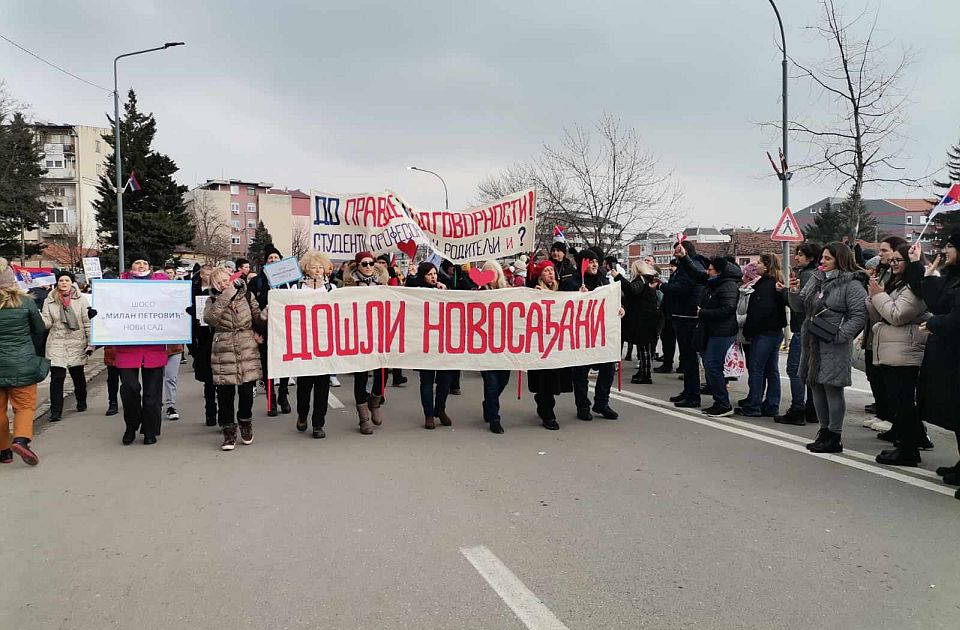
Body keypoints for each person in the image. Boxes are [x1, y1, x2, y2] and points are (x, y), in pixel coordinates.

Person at [786, 242, 868, 453]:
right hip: (813, 339)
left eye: (827, 258)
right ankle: (823, 432)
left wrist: (841, 335)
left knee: (832, 386)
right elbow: (800, 306)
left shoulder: (852, 284)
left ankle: (834, 434)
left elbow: (859, 315)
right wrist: (793, 292)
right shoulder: (816, 279)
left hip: (834, 342)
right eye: (822, 258)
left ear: (840, 260)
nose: (822, 262)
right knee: (816, 385)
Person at [865, 244, 929, 466]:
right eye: (890, 261)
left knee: (903, 402)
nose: (892, 265)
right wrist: (872, 294)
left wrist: (879, 296)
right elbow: (879, 314)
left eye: (896, 261)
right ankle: (904, 444)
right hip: (892, 349)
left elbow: (897, 315)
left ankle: (909, 450)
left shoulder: (914, 288)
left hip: (906, 349)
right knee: (896, 400)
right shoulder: (897, 285)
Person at [915, 235, 960, 488]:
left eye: (950, 247)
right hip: (949, 354)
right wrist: (929, 276)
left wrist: (933, 323)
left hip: (955, 352)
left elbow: (955, 317)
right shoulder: (952, 275)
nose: (946, 251)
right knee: (954, 412)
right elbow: (938, 302)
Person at [203, 267, 264, 450]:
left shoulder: (247, 296)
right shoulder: (212, 300)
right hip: (224, 348)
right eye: (219, 283)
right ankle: (229, 431)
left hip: (246, 346)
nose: (223, 284)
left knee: (247, 391)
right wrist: (226, 295)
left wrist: (267, 313)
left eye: (225, 280)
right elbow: (210, 319)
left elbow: (257, 318)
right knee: (225, 394)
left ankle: (245, 422)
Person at [116, 252, 170, 446]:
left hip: (153, 348)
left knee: (152, 394)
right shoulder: (118, 286)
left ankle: (150, 429)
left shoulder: (162, 285)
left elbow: (171, 305)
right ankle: (131, 425)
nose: (140, 265)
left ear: (150, 266)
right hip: (127, 349)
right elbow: (110, 307)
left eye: (144, 262)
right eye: (137, 262)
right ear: (131, 267)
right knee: (130, 389)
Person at [0, 257, 49, 466]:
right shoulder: (26, 302)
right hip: (22, 362)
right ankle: (21, 440)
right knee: (24, 406)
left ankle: (3, 451)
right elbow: (39, 328)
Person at [344, 251, 390, 435]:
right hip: (359, 335)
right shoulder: (348, 287)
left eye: (371, 263)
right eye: (365, 263)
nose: (369, 266)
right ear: (358, 265)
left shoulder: (383, 284)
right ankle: (363, 417)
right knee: (361, 376)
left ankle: (375, 402)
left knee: (383, 373)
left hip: (380, 334)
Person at [737, 253, 788, 417]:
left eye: (759, 263)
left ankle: (753, 405)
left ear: (766, 266)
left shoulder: (765, 286)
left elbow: (760, 312)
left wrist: (749, 331)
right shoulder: (773, 283)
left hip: (764, 333)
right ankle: (771, 405)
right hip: (775, 332)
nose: (756, 265)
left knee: (756, 369)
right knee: (771, 370)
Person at [690, 256, 743, 417]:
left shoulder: (728, 285)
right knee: (710, 365)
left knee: (713, 366)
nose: (708, 272)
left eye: (711, 269)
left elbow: (728, 309)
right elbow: (696, 274)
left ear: (719, 271)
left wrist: (703, 312)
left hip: (722, 332)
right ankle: (719, 401)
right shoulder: (714, 283)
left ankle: (723, 403)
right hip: (712, 330)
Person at [406, 261, 455, 429]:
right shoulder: (417, 290)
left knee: (445, 381)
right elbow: (409, 289)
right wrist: (411, 276)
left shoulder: (442, 289)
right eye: (429, 274)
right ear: (422, 276)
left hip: (442, 342)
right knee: (427, 381)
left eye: (435, 273)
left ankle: (440, 409)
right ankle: (428, 415)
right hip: (425, 343)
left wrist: (445, 292)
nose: (433, 277)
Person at [775, 242, 820, 426]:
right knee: (809, 372)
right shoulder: (815, 275)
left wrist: (783, 292)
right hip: (812, 329)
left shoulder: (808, 276)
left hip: (803, 329)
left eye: (801, 254)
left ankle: (797, 409)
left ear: (810, 257)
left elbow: (800, 305)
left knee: (795, 370)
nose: (796, 257)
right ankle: (812, 409)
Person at [572, 249, 619, 421]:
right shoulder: (572, 281)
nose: (594, 264)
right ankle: (583, 406)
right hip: (581, 336)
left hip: (600, 335)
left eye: (596, 261)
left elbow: (613, 300)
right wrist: (577, 295)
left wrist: (619, 308)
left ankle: (602, 403)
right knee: (581, 373)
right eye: (590, 261)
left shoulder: (603, 281)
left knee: (608, 367)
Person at [293, 251, 335, 438]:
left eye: (320, 267)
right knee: (304, 386)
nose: (317, 270)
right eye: (314, 267)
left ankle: (319, 423)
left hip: (325, 344)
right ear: (306, 269)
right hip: (305, 344)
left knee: (322, 387)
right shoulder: (296, 288)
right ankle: (302, 413)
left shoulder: (332, 288)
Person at [41, 270, 92, 422]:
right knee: (57, 377)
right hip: (57, 341)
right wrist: (37, 319)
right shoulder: (49, 300)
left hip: (76, 340)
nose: (64, 283)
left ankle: (81, 401)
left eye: (67, 281)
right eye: (61, 281)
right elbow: (47, 322)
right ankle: (56, 411)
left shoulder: (81, 300)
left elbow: (86, 322)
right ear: (57, 283)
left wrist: (91, 343)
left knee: (78, 375)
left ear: (72, 283)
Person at [527, 263, 573, 430]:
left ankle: (542, 401)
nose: (550, 273)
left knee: (554, 380)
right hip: (540, 344)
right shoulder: (534, 291)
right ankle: (548, 414)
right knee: (546, 379)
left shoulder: (561, 290)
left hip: (557, 343)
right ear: (540, 275)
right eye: (546, 271)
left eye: (552, 270)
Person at [662, 241, 708, 407]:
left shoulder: (692, 266)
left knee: (689, 357)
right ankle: (688, 390)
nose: (675, 255)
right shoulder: (686, 266)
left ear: (685, 252)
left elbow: (682, 288)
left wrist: (662, 286)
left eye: (677, 251)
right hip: (682, 314)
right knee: (686, 358)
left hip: (688, 316)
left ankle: (693, 395)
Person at [248, 244, 292, 416]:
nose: (273, 260)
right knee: (267, 364)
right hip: (264, 328)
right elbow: (251, 307)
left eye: (276, 258)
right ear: (265, 263)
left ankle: (283, 394)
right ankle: (270, 397)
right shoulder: (256, 281)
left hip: (285, 328)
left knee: (285, 363)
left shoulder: (290, 280)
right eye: (270, 258)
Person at [476, 259, 512, 434]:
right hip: (484, 346)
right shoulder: (477, 293)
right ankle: (494, 418)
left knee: (503, 380)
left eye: (493, 273)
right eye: (486, 273)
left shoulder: (508, 292)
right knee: (491, 382)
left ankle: (488, 403)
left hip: (504, 345)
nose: (490, 277)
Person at [614, 259, 659, 384]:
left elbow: (632, 290)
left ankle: (645, 375)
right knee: (643, 348)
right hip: (647, 318)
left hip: (643, 319)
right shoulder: (648, 279)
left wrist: (618, 277)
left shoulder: (641, 280)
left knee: (643, 348)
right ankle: (643, 372)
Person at [188, 264, 218, 426]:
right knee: (209, 379)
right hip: (203, 338)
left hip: (218, 335)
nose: (208, 276)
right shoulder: (193, 290)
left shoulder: (219, 290)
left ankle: (222, 413)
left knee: (220, 379)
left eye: (211, 273)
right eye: (205, 273)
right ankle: (210, 411)